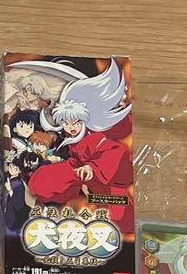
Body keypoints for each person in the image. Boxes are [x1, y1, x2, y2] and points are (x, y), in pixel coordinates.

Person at [26, 60, 134, 233]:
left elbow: (115, 152)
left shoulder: (97, 135)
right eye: (66, 123)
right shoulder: (72, 137)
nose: (71, 127)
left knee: (121, 217)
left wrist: (92, 168)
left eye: (75, 122)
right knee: (41, 182)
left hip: (108, 174)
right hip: (82, 172)